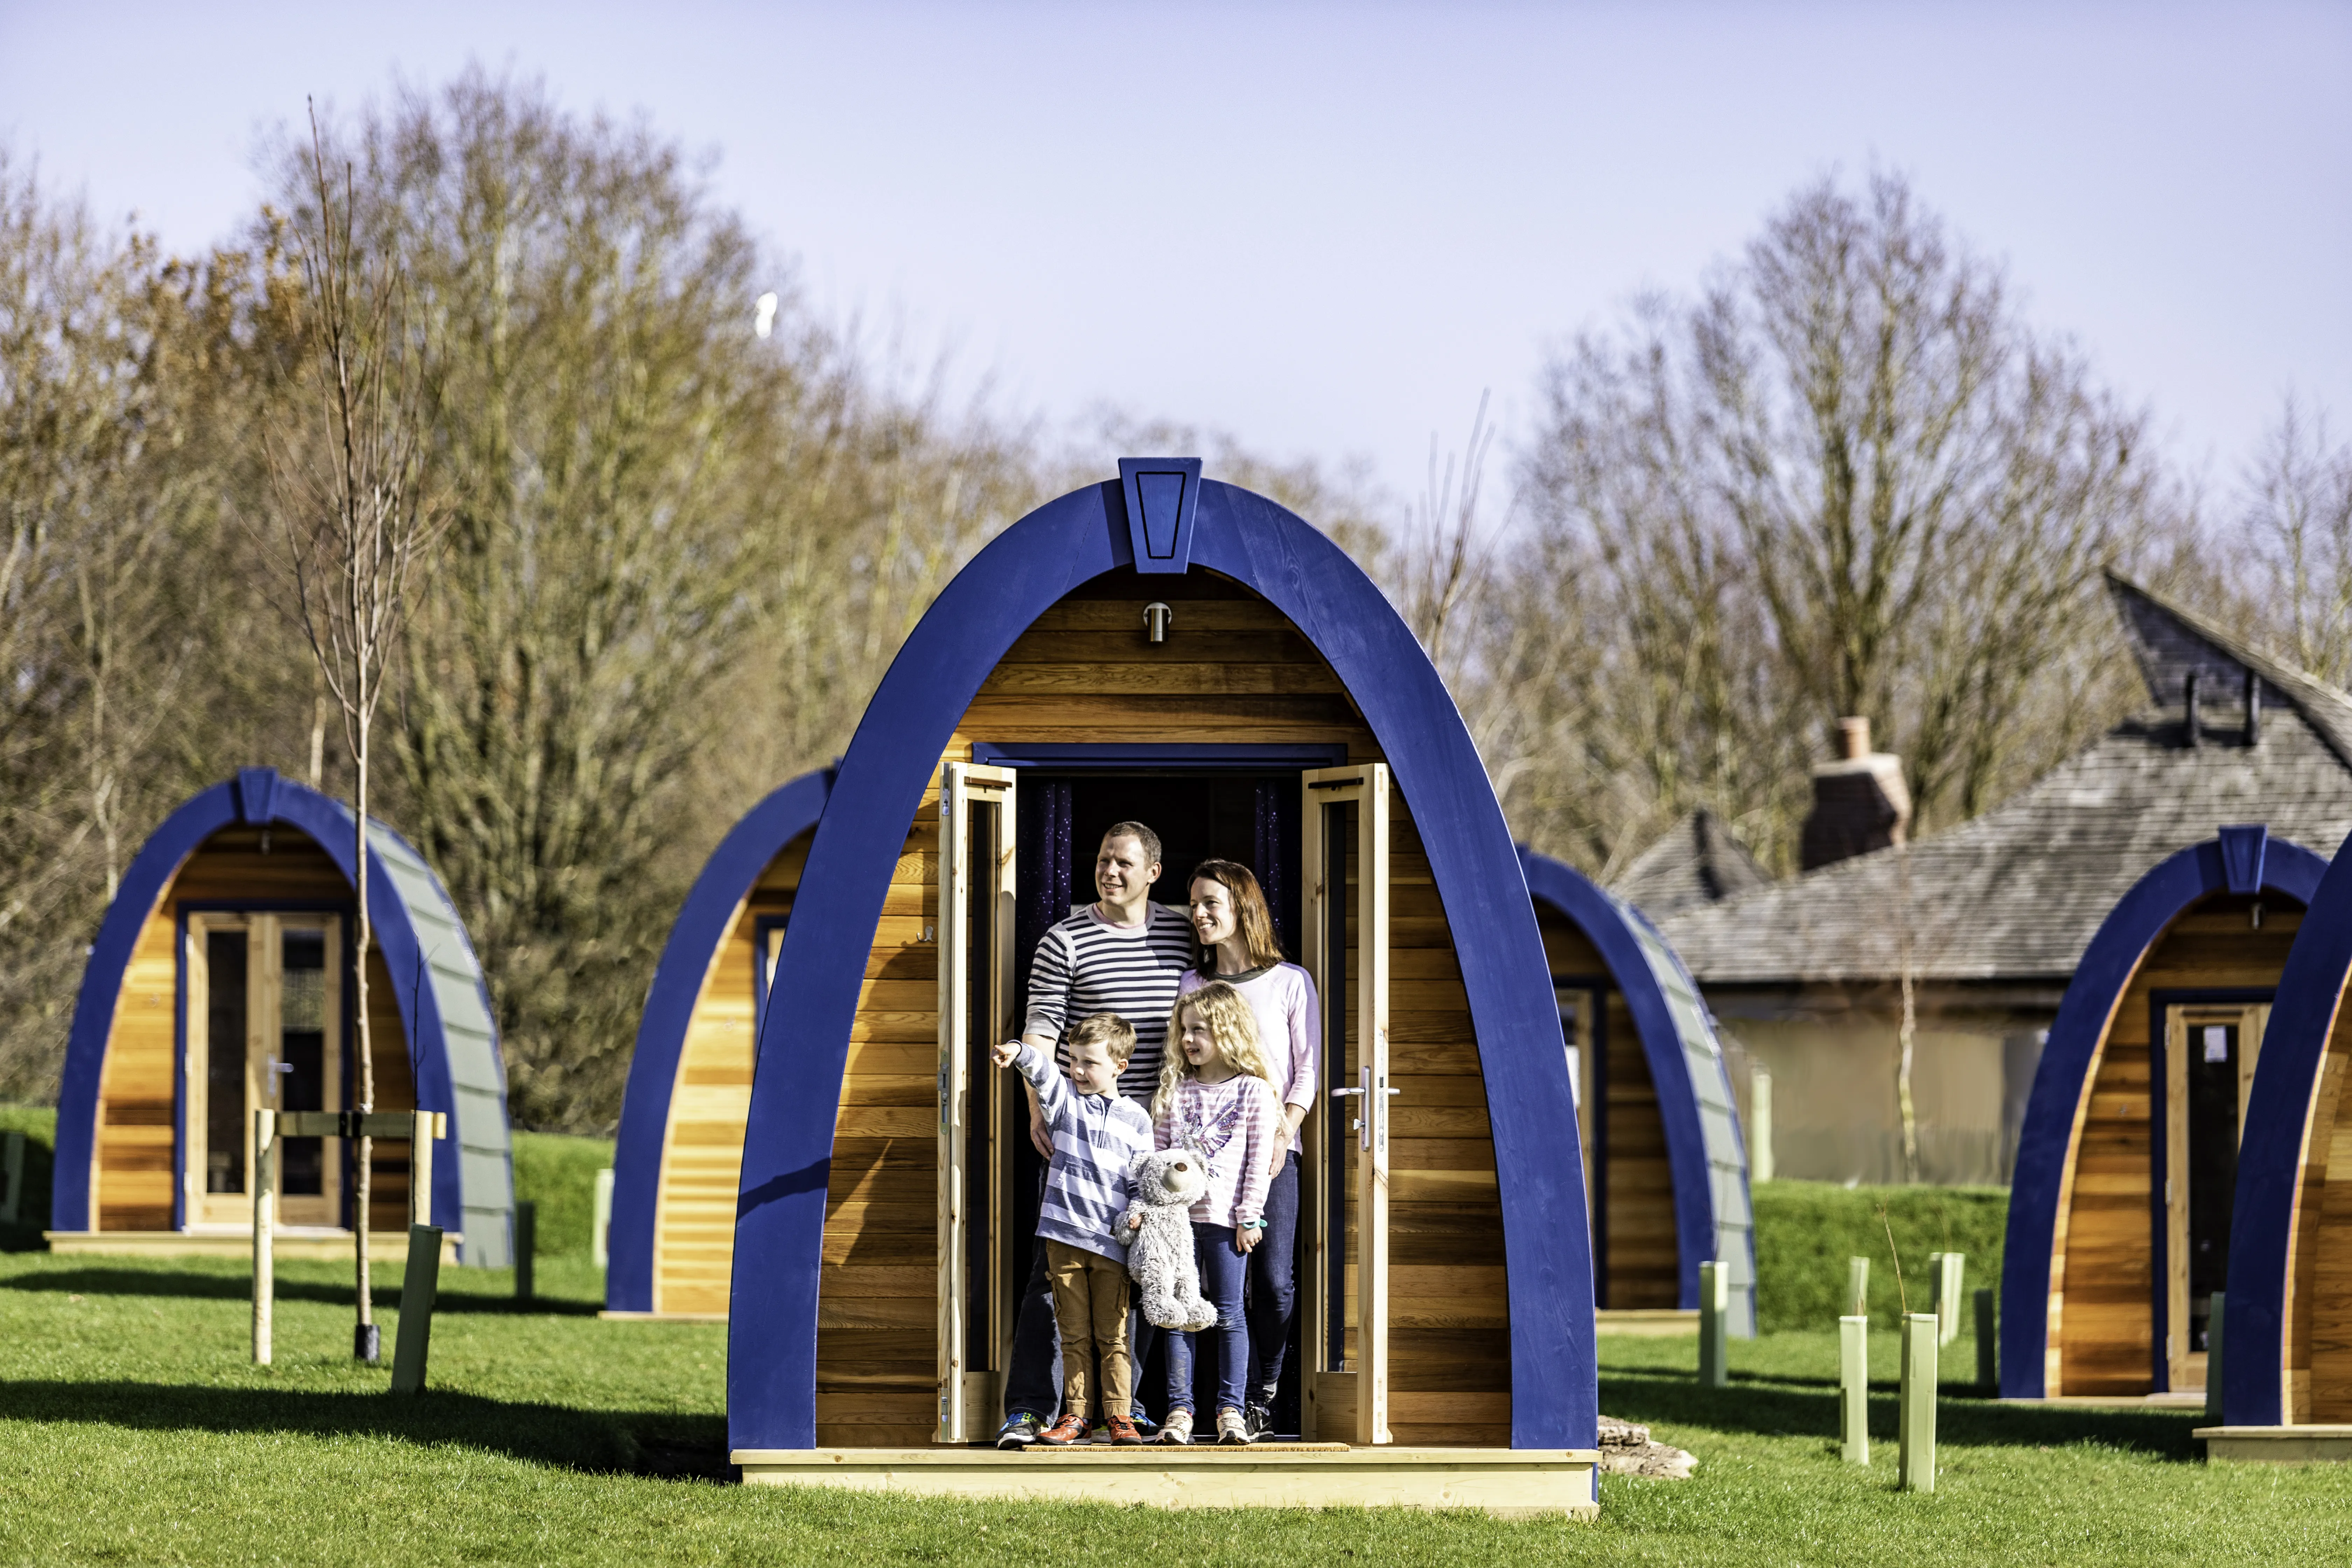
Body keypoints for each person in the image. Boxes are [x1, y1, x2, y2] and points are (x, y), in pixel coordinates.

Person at [994, 821, 1194, 1449]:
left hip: (1152, 1138)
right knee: (1052, 1277)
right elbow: (1041, 1033)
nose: (1111, 872)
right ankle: (1028, 1410)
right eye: (1104, 861)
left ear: (1153, 873)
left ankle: (1125, 1411)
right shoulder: (1066, 940)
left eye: (1124, 863)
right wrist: (1037, 1108)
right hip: (1079, 1134)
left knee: (1145, 1274)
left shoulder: (1183, 935)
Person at [1177, 859, 1319, 1440]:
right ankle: (1216, 1404)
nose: (1199, 914)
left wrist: (1285, 1129)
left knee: (1274, 1281)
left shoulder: (1290, 981)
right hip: (1208, 1162)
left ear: (1243, 909)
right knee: (1209, 1284)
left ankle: (1265, 1388)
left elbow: (1307, 1068)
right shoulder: (1192, 984)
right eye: (1193, 904)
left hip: (1274, 1153)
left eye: (1211, 902)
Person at [991, 1013, 1154, 1445]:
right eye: (1075, 1061)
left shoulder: (1137, 1118)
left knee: (1114, 1334)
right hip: (1063, 1241)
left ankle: (1120, 1417)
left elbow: (1143, 1178)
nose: (1079, 1071)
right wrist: (1019, 1051)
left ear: (1120, 1065)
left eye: (1090, 1063)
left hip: (1111, 1246)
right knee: (1073, 1334)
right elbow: (1043, 1073)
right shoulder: (1066, 1103)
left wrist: (1138, 1210)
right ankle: (1076, 1415)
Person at [1145, 980, 1282, 1446]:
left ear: (1227, 1032)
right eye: (1184, 1030)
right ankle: (1180, 1411)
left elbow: (1259, 1161)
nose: (1188, 1040)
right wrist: (1154, 1213)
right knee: (1180, 1314)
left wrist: (1250, 1216)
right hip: (1177, 1225)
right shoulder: (1175, 1091)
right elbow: (1158, 1159)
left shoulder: (1253, 1092)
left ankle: (1231, 1410)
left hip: (1226, 1224)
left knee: (1228, 1314)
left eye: (1199, 1030)